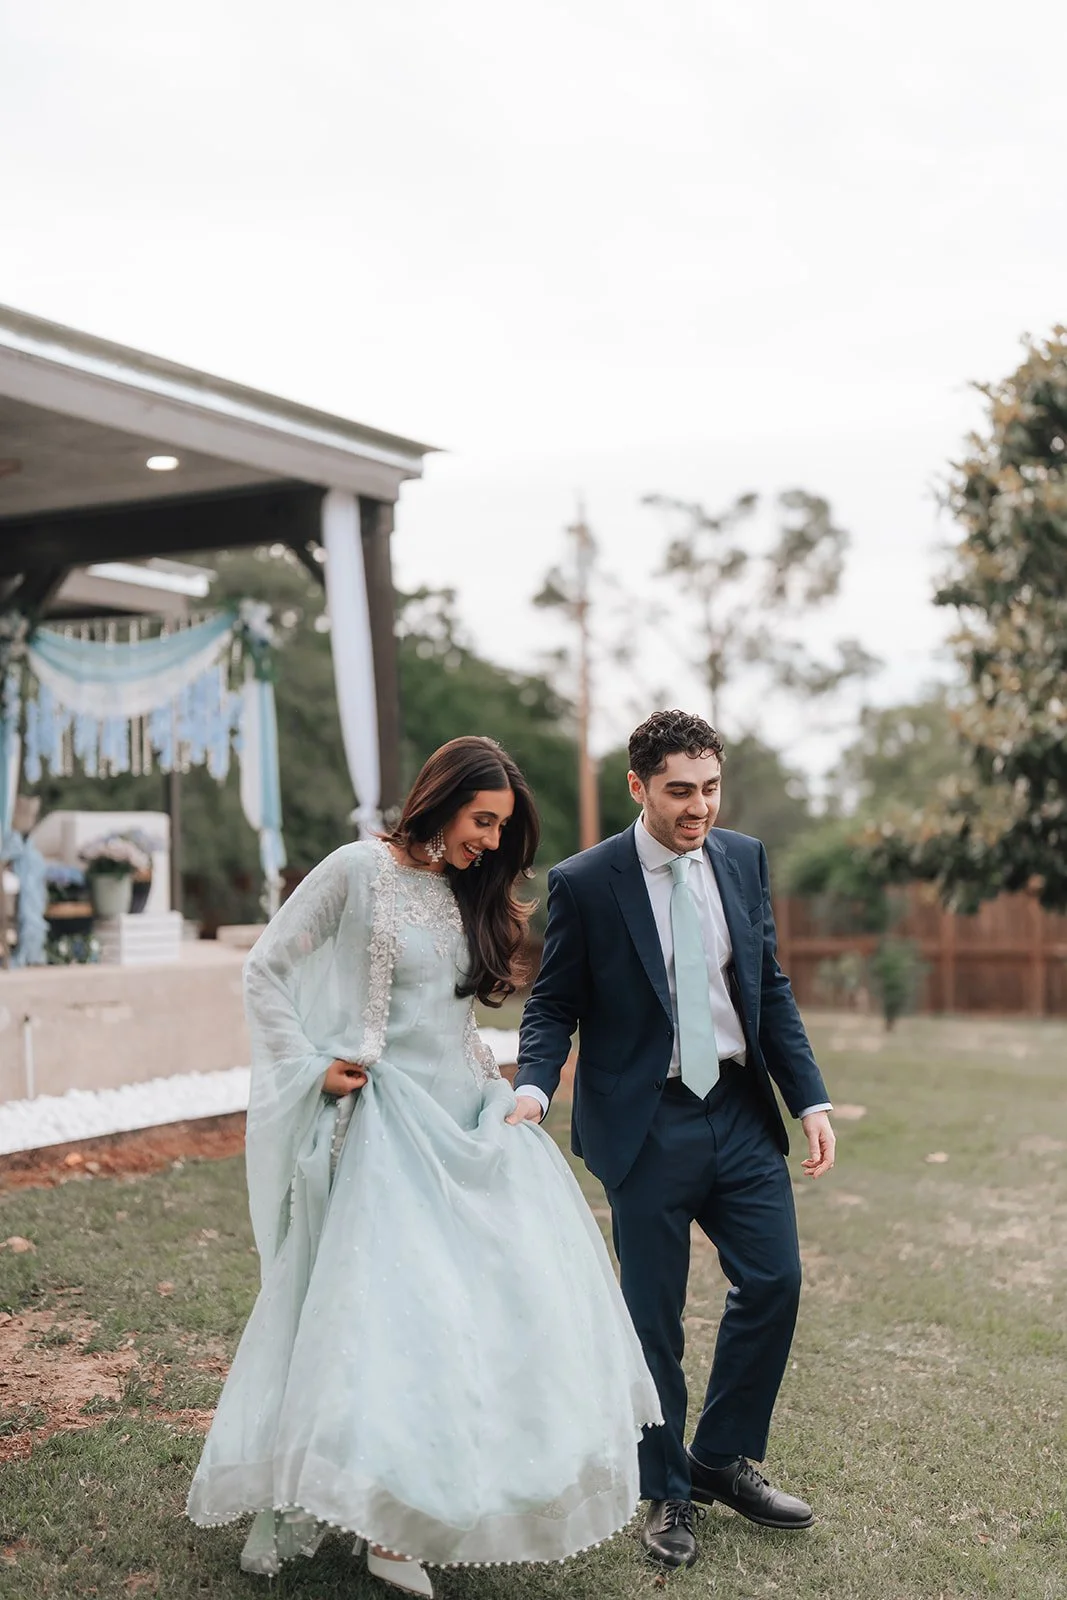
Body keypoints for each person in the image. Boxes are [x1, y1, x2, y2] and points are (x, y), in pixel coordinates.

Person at [187, 737, 661, 1596]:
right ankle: (384, 1527)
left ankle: (461, 1489)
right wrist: (310, 1066)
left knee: (482, 1315)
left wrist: (508, 1092)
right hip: (383, 1126)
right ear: (440, 800)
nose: (489, 840)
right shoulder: (354, 871)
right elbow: (266, 970)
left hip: (467, 1117)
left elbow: (449, 1025)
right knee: (395, 1321)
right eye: (483, 820)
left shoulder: (464, 891)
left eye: (501, 828)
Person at [512, 709, 835, 1571]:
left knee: (774, 1280)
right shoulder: (585, 881)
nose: (699, 808)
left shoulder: (742, 858)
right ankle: (665, 1491)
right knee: (651, 1319)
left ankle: (721, 1457)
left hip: (735, 1106)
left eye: (710, 788)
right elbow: (551, 1003)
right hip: (644, 1122)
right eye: (680, 791)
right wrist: (534, 1087)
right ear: (638, 787)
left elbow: (766, 982)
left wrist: (809, 1099)